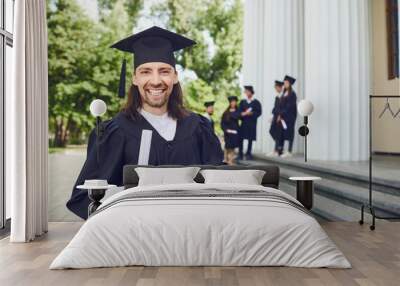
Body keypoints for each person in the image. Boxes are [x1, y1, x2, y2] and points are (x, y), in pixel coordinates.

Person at [67, 26, 224, 219]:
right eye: (146, 71)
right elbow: (85, 198)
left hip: (192, 231)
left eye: (164, 71)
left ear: (175, 76)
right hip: (135, 234)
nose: (156, 80)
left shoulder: (199, 128)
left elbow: (219, 187)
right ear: (134, 78)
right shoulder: (114, 132)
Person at [238, 85, 262, 160]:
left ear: (251, 92)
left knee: (250, 138)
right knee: (241, 138)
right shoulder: (243, 101)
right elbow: (239, 111)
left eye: (248, 91)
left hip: (252, 123)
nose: (246, 93)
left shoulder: (256, 102)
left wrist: (251, 113)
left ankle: (248, 153)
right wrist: (242, 114)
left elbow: (259, 112)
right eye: (246, 91)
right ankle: (240, 154)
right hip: (244, 123)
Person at [277, 75, 297, 157]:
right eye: (284, 82)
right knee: (282, 133)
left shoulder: (292, 94)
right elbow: (280, 105)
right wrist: (279, 114)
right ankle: (280, 150)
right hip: (283, 117)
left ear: (290, 84)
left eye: (286, 82)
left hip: (290, 116)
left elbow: (290, 106)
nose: (285, 84)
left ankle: (289, 151)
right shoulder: (283, 93)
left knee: (290, 132)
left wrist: (281, 114)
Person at [221, 96, 240, 165]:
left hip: (235, 132)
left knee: (233, 147)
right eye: (232, 102)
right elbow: (222, 122)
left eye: (234, 102)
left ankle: (231, 160)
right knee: (227, 146)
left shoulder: (238, 111)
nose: (233, 103)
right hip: (228, 132)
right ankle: (225, 159)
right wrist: (226, 130)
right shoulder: (226, 112)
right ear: (230, 103)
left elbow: (238, 117)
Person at [268, 80, 284, 156]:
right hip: (275, 116)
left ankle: (276, 150)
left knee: (278, 133)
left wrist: (280, 115)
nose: (275, 89)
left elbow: (283, 108)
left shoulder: (283, 96)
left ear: (280, 87)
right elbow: (275, 107)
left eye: (276, 87)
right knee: (271, 131)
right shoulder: (277, 97)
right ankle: (279, 147)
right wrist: (271, 116)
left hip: (280, 117)